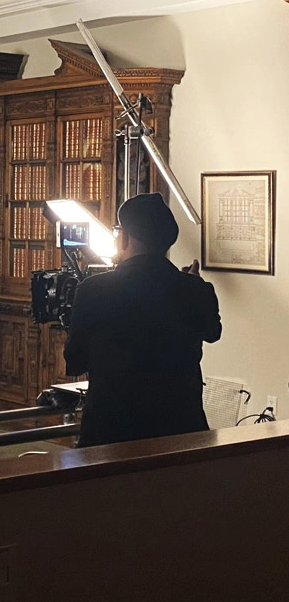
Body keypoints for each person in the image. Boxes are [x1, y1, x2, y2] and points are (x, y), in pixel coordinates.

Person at [63, 192, 222, 448]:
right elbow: (213, 332)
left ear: (124, 237)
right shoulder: (196, 289)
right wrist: (191, 284)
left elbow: (75, 360)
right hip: (181, 429)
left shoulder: (95, 290)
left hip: (111, 431)